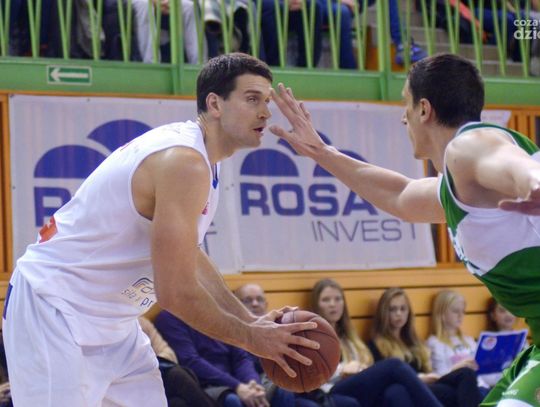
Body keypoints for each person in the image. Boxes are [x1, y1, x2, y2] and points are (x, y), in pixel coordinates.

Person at [2, 53, 320, 406]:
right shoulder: (183, 161)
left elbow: (189, 255)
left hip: (114, 324)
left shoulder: (205, 160)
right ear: (215, 104)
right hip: (55, 307)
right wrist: (250, 338)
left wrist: (250, 320)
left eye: (266, 102)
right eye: (252, 99)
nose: (265, 113)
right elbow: (175, 293)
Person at [269, 51, 540, 406]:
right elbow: (400, 196)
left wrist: (533, 182)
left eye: (405, 104)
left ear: (424, 109)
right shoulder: (458, 185)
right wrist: (322, 153)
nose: (403, 117)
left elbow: (511, 163)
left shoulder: (469, 145)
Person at [304, 279, 443, 407]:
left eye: (338, 299)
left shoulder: (350, 339)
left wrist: (361, 368)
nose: (333, 304)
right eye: (326, 300)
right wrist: (342, 370)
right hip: (329, 390)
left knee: (396, 391)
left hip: (358, 387)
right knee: (394, 364)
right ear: (316, 305)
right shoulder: (310, 338)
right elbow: (310, 374)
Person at [368, 287, 482, 407]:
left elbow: (429, 372)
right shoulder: (376, 345)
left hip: (429, 385)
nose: (399, 314)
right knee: (397, 392)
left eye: (403, 309)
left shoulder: (414, 342)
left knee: (466, 373)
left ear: (408, 312)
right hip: (407, 387)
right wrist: (418, 378)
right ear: (384, 313)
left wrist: (432, 376)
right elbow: (382, 381)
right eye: (393, 309)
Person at [155, 309, 294, 407]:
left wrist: (253, 384)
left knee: (282, 390)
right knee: (232, 400)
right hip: (206, 385)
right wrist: (237, 386)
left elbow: (241, 357)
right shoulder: (169, 318)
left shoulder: (222, 315)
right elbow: (191, 361)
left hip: (240, 381)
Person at [138, 316, 217, 407]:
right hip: (138, 390)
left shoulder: (140, 322)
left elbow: (169, 354)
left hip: (161, 381)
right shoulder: (168, 319)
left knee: (178, 403)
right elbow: (191, 360)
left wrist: (153, 364)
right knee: (176, 375)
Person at [426, 290, 479, 377]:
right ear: (441, 313)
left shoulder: (469, 341)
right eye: (455, 311)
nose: (460, 315)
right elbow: (440, 376)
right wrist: (460, 367)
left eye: (463, 311)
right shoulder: (434, 342)